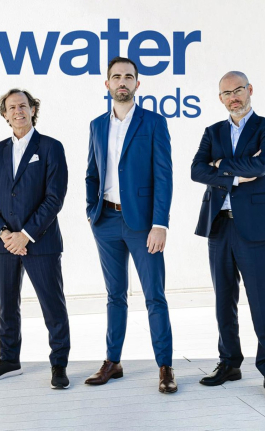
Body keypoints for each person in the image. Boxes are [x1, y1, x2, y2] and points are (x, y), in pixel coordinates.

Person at [191, 71, 265, 400]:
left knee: (262, 302)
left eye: (238, 90)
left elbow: (262, 165)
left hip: (256, 227)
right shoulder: (212, 131)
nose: (233, 97)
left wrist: (221, 165)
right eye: (227, 93)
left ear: (250, 90)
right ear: (220, 98)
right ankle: (230, 363)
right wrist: (235, 173)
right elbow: (196, 170)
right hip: (219, 225)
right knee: (223, 299)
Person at [84, 57, 176, 394]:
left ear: (137, 83)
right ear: (107, 84)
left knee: (154, 296)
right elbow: (92, 172)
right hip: (105, 221)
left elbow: (164, 176)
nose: (122, 81)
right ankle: (113, 362)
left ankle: (165, 366)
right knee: (115, 295)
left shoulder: (154, 122)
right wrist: (91, 211)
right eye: (116, 76)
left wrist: (160, 223)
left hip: (142, 224)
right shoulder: (97, 125)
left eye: (128, 76)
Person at [0, 88, 71, 389]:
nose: (18, 111)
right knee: (7, 306)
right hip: (5, 243)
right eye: (12, 107)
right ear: (5, 114)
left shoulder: (51, 147)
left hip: (41, 242)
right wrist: (4, 233)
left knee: (52, 306)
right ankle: (9, 360)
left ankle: (59, 363)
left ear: (33, 109)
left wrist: (26, 235)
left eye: (23, 106)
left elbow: (54, 197)